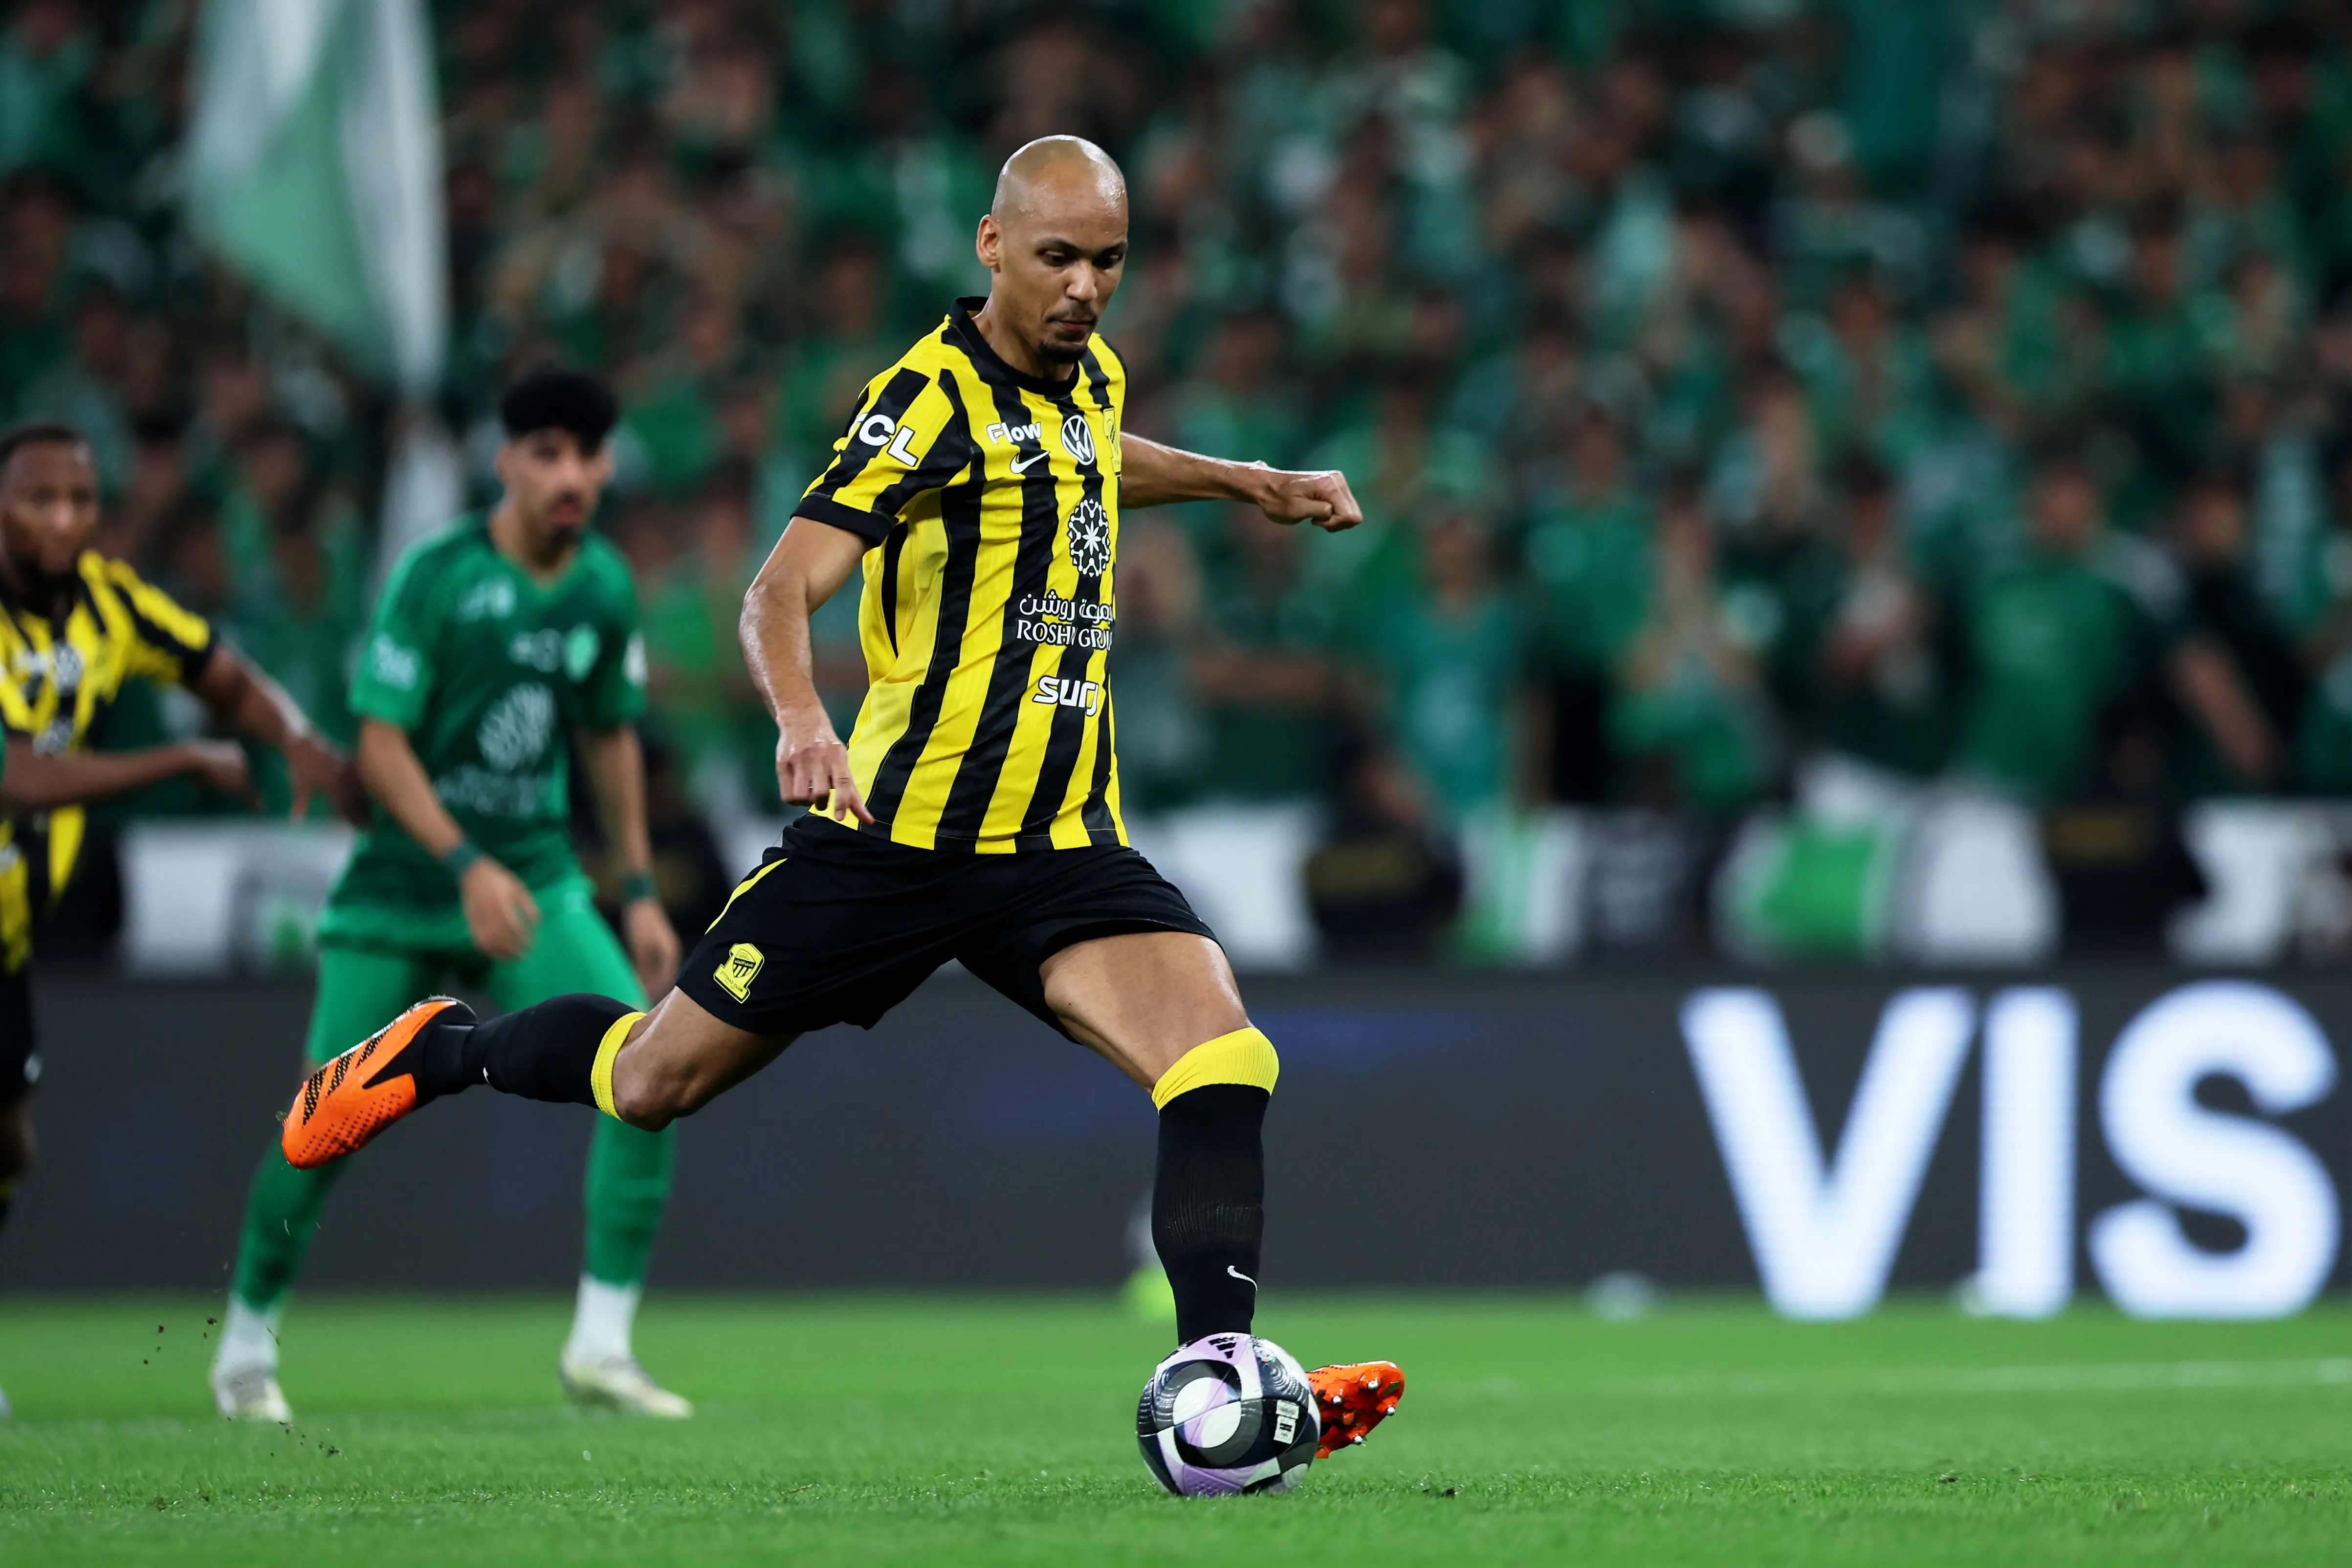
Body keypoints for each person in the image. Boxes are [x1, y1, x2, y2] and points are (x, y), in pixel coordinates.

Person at [271, 137, 1406, 1457]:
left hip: (1057, 848)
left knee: (1222, 1053)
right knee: (651, 1080)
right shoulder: (923, 400)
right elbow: (777, 586)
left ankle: (1215, 1379)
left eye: (1108, 260)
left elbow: (1086, 455)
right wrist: (805, 719)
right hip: (891, 844)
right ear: (991, 247)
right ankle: (442, 1047)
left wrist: (1243, 482)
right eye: (1058, 258)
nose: (1086, 287)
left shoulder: (1088, 377)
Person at [209, 368, 690, 1423]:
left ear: (606, 464)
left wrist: (643, 892)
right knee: (319, 1121)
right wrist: (465, 862)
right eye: (546, 455)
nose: (570, 476)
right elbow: (377, 744)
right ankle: (244, 1345)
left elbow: (609, 733)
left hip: (537, 882)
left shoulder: (604, 587)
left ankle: (601, 1347)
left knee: (653, 1063)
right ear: (506, 463)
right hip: (400, 883)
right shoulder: (435, 574)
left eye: (587, 456)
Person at [0, 421, 363, 1421]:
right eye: (38, 498)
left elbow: (224, 676)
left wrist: (304, 745)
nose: (64, 519)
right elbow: (15, 776)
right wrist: (181, 761)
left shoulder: (113, 607)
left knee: (11, 1146)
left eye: (79, 499)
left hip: (6, 938)